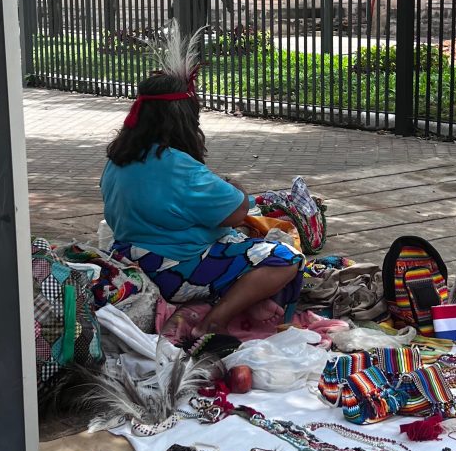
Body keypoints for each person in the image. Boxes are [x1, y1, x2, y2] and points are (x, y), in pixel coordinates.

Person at [100, 31, 303, 336]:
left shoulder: (116, 160)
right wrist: (236, 186)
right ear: (183, 121)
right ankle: (215, 321)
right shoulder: (178, 166)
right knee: (285, 258)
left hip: (128, 257)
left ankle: (235, 305)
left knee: (234, 241)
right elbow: (236, 212)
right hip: (172, 270)